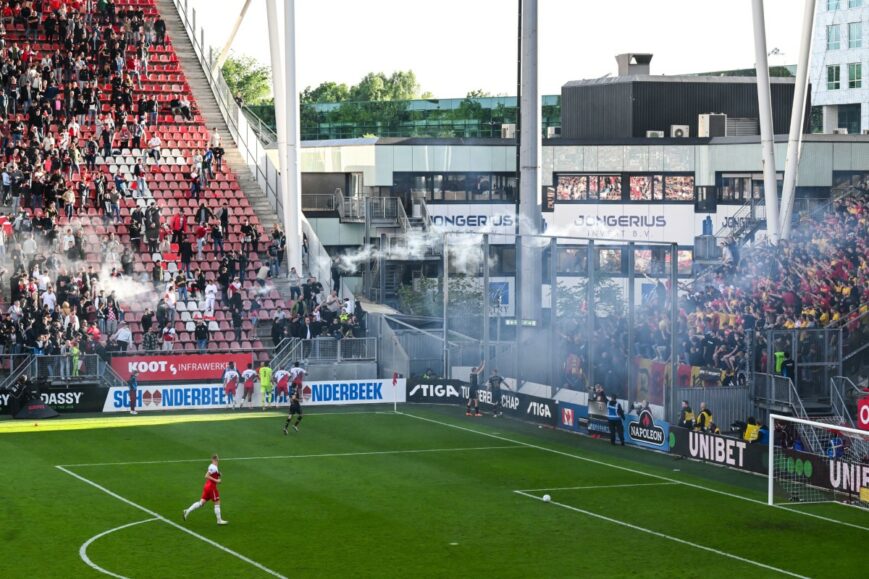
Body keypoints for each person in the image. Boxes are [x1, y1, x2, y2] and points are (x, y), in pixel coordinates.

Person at [182, 455, 228, 525]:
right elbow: (206, 476)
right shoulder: (214, 467)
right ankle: (219, 521)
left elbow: (212, 474)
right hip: (211, 487)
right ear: (214, 460)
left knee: (201, 503)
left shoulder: (212, 466)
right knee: (217, 502)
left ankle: (187, 511)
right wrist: (217, 480)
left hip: (207, 486)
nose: (218, 461)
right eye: (217, 460)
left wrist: (218, 474)